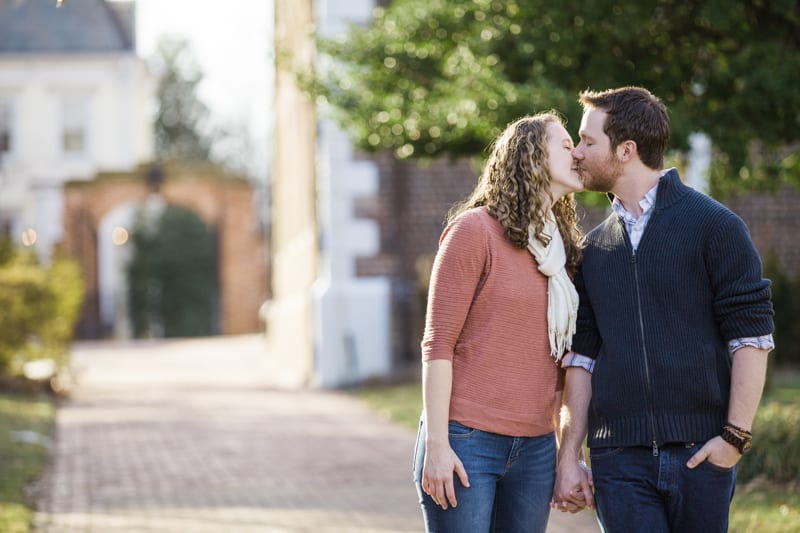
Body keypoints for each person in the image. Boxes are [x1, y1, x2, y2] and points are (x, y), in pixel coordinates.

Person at [552, 86, 775, 532]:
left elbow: (751, 338)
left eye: (588, 141)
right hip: (619, 462)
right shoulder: (594, 250)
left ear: (626, 150)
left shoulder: (716, 227)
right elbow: (581, 359)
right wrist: (569, 456)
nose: (577, 152)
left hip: (700, 456)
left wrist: (733, 438)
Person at [413, 112, 585, 533]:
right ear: (531, 156)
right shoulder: (475, 232)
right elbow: (438, 344)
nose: (577, 153)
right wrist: (438, 445)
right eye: (565, 144)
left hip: (536, 448)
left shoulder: (561, 254)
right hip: (467, 441)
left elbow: (562, 363)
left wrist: (566, 453)